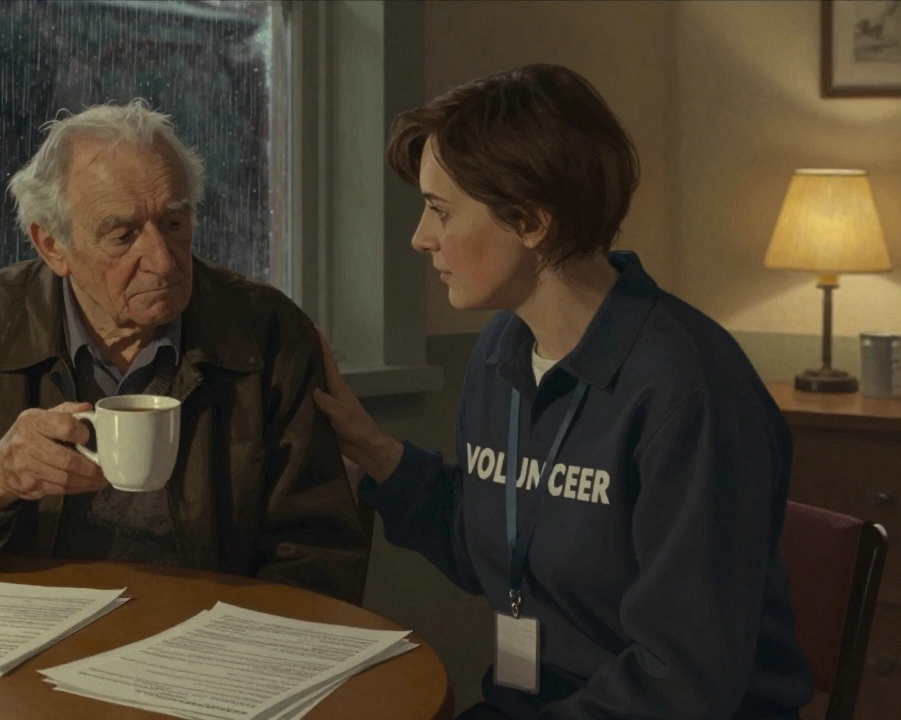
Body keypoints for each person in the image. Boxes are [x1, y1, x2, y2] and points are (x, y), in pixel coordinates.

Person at [314, 65, 814, 719]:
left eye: (440, 210)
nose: (420, 237)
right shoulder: (501, 349)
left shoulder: (691, 394)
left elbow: (683, 679)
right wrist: (373, 451)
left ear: (530, 221)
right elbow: (490, 546)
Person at [0, 98, 370, 604]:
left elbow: (319, 551)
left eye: (174, 224)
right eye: (123, 236)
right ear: (53, 246)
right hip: (30, 632)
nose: (163, 261)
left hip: (208, 635)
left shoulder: (266, 332)